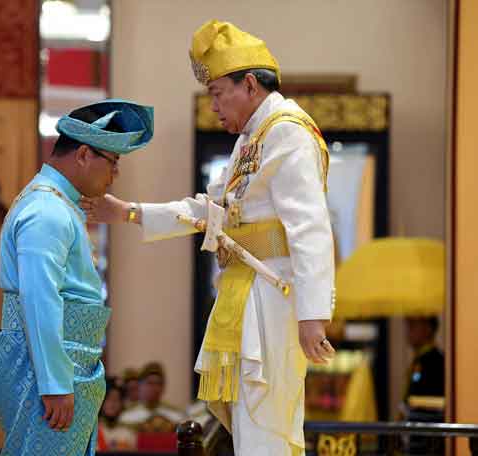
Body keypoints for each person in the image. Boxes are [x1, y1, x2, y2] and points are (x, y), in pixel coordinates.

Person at [81, 20, 335, 455]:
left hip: (273, 296)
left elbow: (309, 226)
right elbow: (210, 210)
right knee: (248, 423)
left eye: (217, 93)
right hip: (244, 292)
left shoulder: (288, 131)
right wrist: (131, 213)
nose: (213, 106)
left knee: (266, 424)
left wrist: (313, 315)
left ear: (250, 84)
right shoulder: (250, 139)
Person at [0, 99, 154, 455]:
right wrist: (55, 382)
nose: (114, 176)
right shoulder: (46, 211)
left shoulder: (56, 204)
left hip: (62, 362)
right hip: (46, 369)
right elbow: (39, 298)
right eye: (113, 163)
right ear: (83, 154)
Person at [119, 362, 185, 432]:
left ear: (163, 387)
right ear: (140, 386)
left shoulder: (176, 415)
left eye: (158, 383)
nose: (155, 388)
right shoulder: (126, 417)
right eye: (150, 383)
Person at [404, 316, 444, 400]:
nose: (408, 331)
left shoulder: (435, 361)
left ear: (428, 328)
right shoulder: (420, 359)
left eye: (412, 325)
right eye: (408, 325)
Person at [97, 378, 137, 451]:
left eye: (116, 399)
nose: (112, 404)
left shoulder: (128, 432)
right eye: (109, 399)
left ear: (122, 404)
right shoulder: (93, 431)